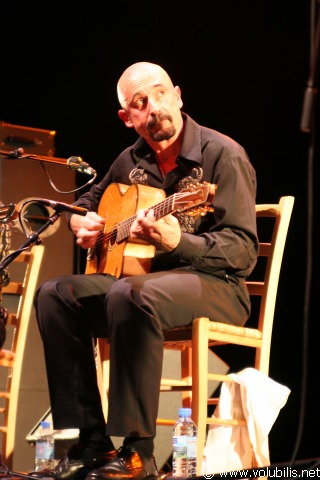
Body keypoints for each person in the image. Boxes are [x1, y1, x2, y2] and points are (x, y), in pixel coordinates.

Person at [29, 61, 259, 480]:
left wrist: (179, 242)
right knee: (54, 294)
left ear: (178, 95)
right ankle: (90, 442)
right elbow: (89, 203)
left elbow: (243, 251)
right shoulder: (130, 160)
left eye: (158, 94)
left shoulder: (223, 155)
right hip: (143, 289)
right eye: (139, 103)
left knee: (130, 293)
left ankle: (138, 452)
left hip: (218, 286)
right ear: (127, 117)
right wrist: (80, 221)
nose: (152, 108)